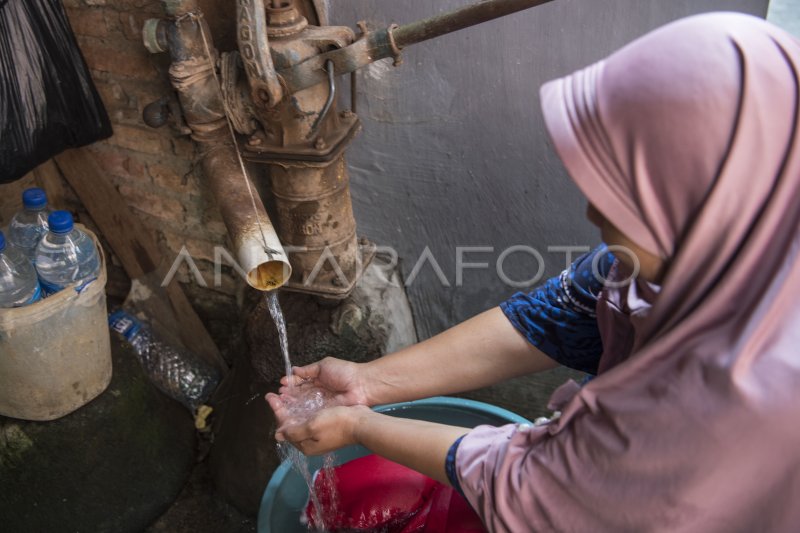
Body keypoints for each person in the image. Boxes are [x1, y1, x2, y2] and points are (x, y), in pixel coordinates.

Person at [268, 12, 800, 531]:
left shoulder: (740, 397)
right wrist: (367, 382)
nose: (593, 214)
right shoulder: (725, 232)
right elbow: (554, 317)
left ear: (704, 194)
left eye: (620, 191)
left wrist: (362, 425)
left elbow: (544, 490)